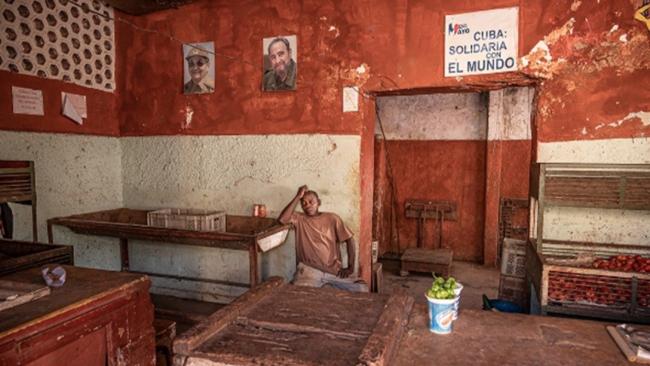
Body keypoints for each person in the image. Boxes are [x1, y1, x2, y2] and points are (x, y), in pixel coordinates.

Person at [278, 185, 368, 292]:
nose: (308, 206)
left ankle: (328, 286)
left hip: (334, 271)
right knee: (297, 294)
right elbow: (282, 219)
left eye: (311, 202)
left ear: (319, 202)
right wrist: (298, 196)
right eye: (304, 203)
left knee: (362, 288)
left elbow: (349, 240)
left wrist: (350, 267)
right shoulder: (299, 219)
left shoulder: (332, 218)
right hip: (309, 270)